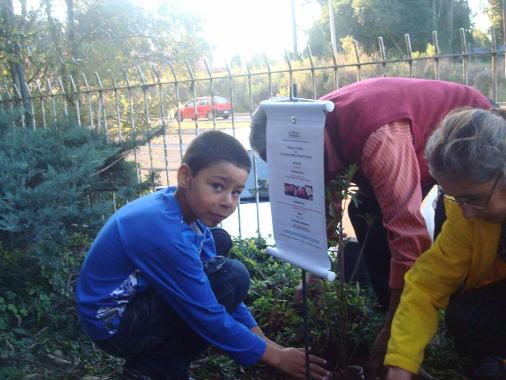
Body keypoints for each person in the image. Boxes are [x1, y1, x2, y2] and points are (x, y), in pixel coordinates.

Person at [249, 77, 492, 379]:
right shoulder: (310, 130)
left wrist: (390, 338)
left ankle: (435, 334)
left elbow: (409, 238)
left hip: (466, 142)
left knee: (455, 248)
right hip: (407, 142)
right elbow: (325, 199)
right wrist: (314, 273)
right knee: (363, 210)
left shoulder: (377, 137)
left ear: (296, 140)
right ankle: (402, 314)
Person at [76, 130, 330, 380]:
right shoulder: (164, 232)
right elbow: (208, 311)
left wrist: (264, 342)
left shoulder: (184, 211)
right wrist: (274, 357)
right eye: (217, 186)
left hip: (132, 301)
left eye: (236, 192)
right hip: (113, 325)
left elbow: (221, 291)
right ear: (186, 176)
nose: (228, 202)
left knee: (220, 247)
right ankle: (153, 369)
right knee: (232, 277)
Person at [385, 107, 506, 380]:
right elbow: (427, 285)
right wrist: (401, 364)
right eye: (455, 199)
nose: (466, 212)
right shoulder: (467, 216)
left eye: (474, 198)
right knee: (465, 316)